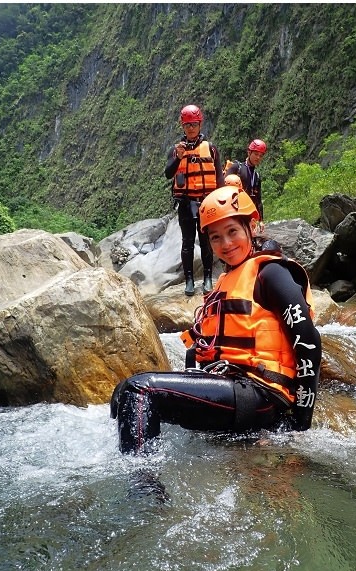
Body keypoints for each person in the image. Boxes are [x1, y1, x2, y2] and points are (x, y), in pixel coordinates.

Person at [110, 185, 321, 455]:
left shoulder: (271, 273)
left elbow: (309, 343)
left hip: (261, 393)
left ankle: (143, 492)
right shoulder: (226, 280)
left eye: (233, 231)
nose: (226, 244)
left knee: (139, 391)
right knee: (122, 394)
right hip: (234, 386)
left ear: (252, 227)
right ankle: (141, 471)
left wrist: (298, 425)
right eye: (216, 237)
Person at [165, 104, 224, 296]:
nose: (191, 128)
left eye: (194, 124)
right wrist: (178, 158)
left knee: (206, 241)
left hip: (206, 202)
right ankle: (189, 280)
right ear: (183, 126)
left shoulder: (211, 149)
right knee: (187, 242)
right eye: (187, 124)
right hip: (185, 202)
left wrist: (222, 202)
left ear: (200, 125)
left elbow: (219, 178)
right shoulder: (176, 150)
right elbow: (168, 173)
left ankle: (207, 277)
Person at [223, 138, 266, 222]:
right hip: (232, 211)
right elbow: (222, 188)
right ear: (249, 152)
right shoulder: (236, 167)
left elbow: (258, 200)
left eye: (261, 155)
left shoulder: (256, 176)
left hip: (246, 211)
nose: (258, 157)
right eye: (256, 154)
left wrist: (261, 221)